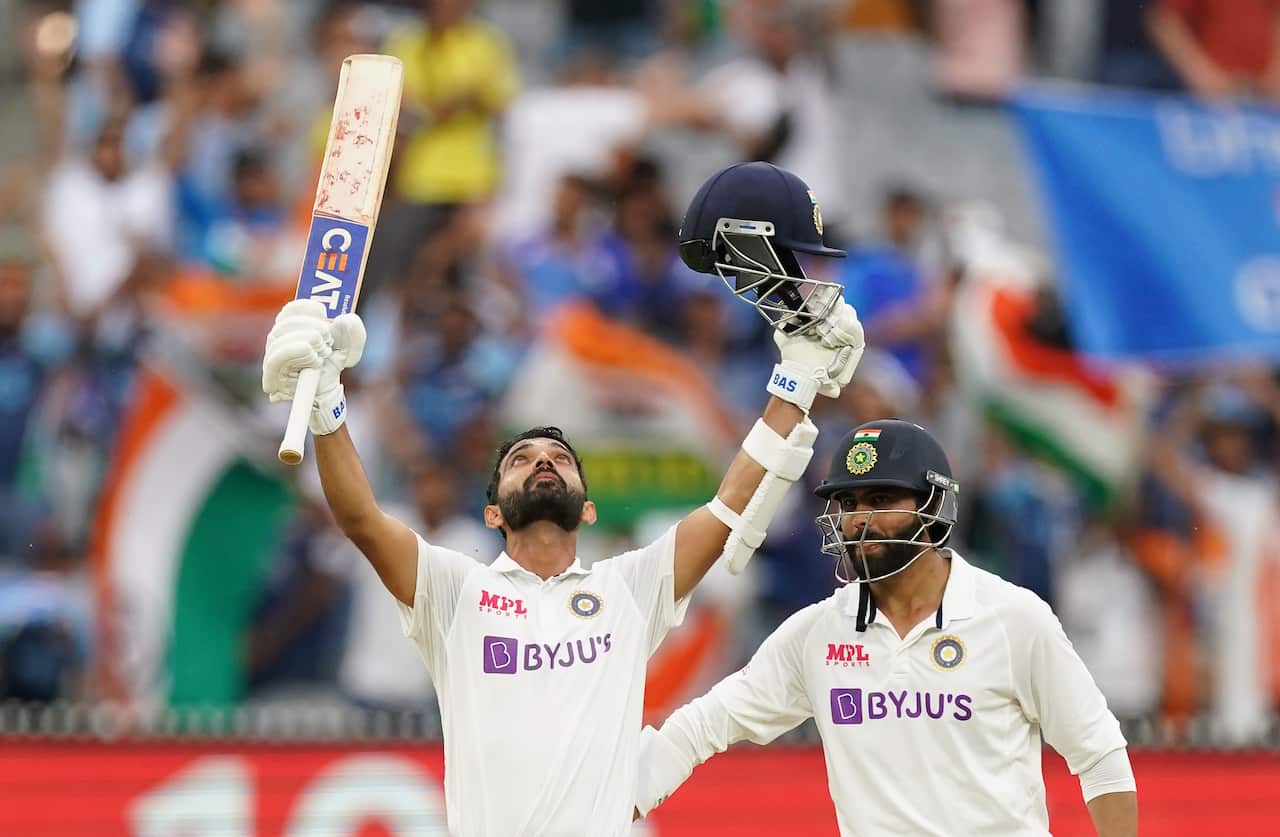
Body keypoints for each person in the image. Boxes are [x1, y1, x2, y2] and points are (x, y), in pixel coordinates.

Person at [260, 161, 866, 836]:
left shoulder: (628, 587)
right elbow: (361, 519)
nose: (543, 461)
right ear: (492, 511)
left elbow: (728, 510)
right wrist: (326, 405)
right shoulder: (456, 588)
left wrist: (796, 382)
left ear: (587, 506)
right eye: (522, 459)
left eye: (559, 460)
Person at [636, 419, 1139, 836]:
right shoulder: (818, 634)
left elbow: (1099, 756)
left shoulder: (1013, 618)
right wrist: (617, 798)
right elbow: (700, 727)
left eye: (881, 498)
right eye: (849, 504)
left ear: (934, 508)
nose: (859, 520)